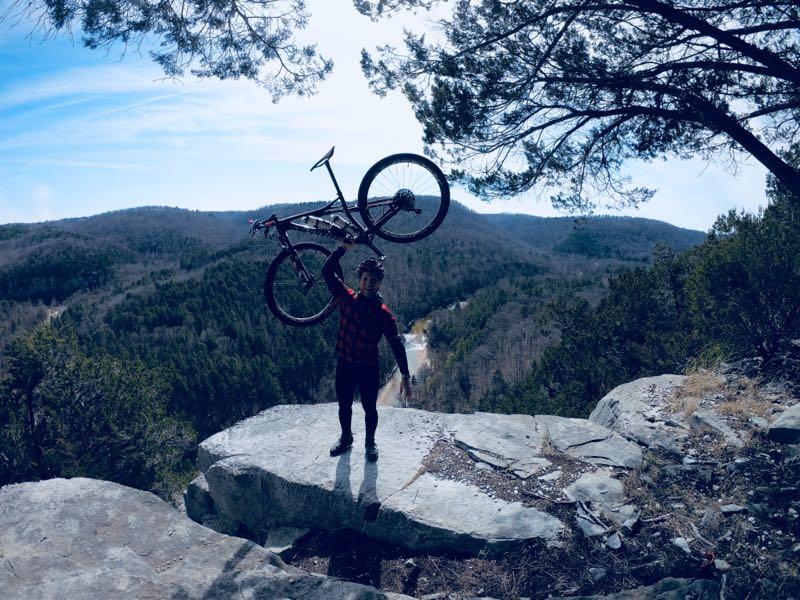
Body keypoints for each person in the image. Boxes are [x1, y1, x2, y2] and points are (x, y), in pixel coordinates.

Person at [321, 239, 412, 461]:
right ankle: (346, 438)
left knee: (370, 408)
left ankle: (370, 443)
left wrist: (406, 376)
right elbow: (326, 271)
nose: (368, 283)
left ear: (379, 283)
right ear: (359, 280)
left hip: (368, 367)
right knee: (344, 405)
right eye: (365, 279)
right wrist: (342, 247)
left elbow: (397, 344)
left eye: (373, 280)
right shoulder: (346, 297)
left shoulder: (383, 314)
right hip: (345, 363)